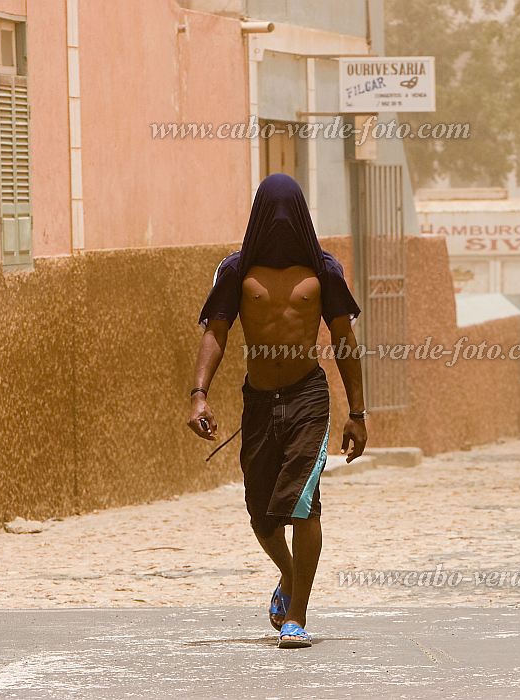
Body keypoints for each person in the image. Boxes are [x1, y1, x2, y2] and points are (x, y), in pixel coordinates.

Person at [187, 173, 368, 649]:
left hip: (308, 397)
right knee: (261, 513)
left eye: (292, 209)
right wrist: (199, 394)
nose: (284, 220)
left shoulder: (325, 271)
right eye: (275, 209)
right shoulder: (236, 271)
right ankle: (288, 576)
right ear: (261, 215)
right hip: (259, 402)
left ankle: (297, 616)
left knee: (304, 503)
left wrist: (358, 413)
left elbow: (345, 340)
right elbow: (216, 331)